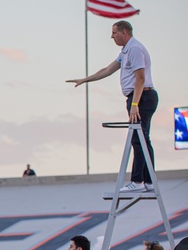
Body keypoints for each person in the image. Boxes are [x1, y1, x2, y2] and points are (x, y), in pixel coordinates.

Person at [67, 20, 158, 193]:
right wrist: (85, 79)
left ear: (124, 32)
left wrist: (135, 104)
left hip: (142, 97)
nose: (111, 36)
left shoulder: (135, 49)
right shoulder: (125, 51)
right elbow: (107, 69)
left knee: (139, 138)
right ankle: (148, 181)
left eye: (114, 33)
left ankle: (138, 180)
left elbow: (140, 78)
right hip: (137, 97)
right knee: (142, 139)